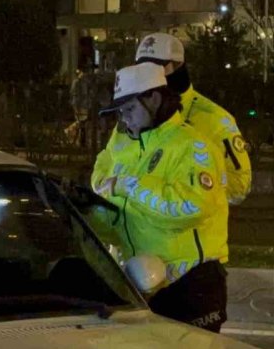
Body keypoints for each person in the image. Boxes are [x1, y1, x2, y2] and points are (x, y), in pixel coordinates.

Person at [90, 62, 230, 333]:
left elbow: (191, 206)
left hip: (190, 285)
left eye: (130, 109)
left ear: (154, 99)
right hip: (140, 282)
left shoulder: (192, 147)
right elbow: (109, 196)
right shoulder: (126, 146)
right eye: (120, 112)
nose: (124, 119)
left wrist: (129, 186)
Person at [133, 32, 253, 205]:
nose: (149, 76)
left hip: (191, 225)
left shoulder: (215, 119)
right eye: (142, 69)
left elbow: (240, 186)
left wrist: (196, 188)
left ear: (178, 65)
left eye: (157, 68)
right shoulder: (136, 115)